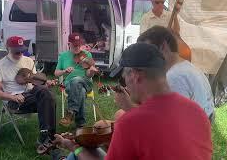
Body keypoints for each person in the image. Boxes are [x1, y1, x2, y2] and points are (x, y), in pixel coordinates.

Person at [53, 43, 213, 160]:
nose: (123, 80)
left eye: (124, 75)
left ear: (135, 76)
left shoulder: (131, 122)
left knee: (75, 157)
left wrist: (75, 147)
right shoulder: (196, 110)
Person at [0, 36, 56, 153]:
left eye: (22, 49)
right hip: (15, 100)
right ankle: (48, 138)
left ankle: (46, 136)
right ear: (7, 48)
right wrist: (13, 97)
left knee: (47, 93)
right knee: (48, 98)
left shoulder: (29, 61)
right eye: (16, 50)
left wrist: (45, 85)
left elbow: (35, 82)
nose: (20, 52)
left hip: (32, 93)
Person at [137, 26, 215, 122]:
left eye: (148, 52)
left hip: (193, 127)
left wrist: (129, 106)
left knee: (123, 116)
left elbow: (170, 122)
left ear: (163, 46)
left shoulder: (175, 77)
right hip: (204, 120)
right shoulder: (185, 66)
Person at [55, 33, 98, 127]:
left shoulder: (87, 54)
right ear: (68, 44)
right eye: (75, 45)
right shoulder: (63, 56)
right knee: (81, 91)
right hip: (69, 85)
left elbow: (88, 75)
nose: (77, 47)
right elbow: (56, 73)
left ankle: (71, 111)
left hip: (85, 82)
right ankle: (80, 124)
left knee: (76, 80)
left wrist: (91, 72)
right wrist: (64, 70)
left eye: (79, 45)